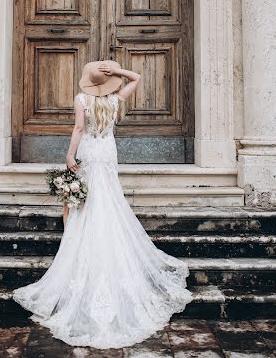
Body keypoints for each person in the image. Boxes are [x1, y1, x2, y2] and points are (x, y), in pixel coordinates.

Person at [12, 60, 192, 349]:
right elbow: (137, 78)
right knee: (109, 195)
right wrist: (119, 73)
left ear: (87, 80)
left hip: (90, 151)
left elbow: (79, 129)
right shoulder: (114, 100)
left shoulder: (82, 99)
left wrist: (69, 156)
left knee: (86, 199)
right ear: (107, 82)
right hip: (107, 152)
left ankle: (82, 241)